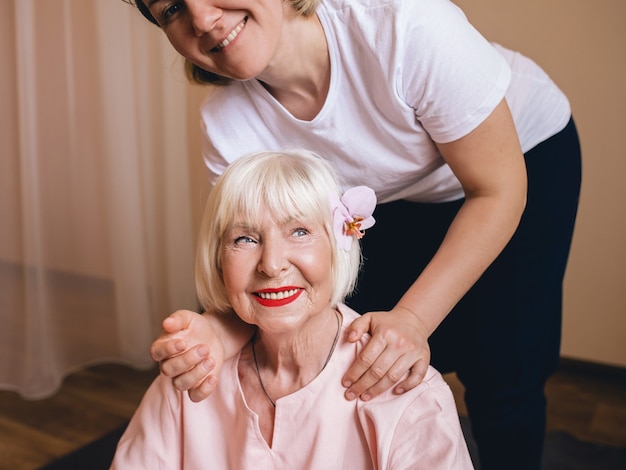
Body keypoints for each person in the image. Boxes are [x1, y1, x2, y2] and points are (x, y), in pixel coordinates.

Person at [124, 0, 582, 468]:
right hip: (383, 196)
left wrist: (414, 320)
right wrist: (216, 335)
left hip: (515, 164)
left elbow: (496, 191)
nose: (201, 19)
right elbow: (262, 271)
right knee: (363, 354)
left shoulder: (409, 25)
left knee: (506, 368)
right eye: (172, 9)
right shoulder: (227, 123)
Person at [111, 150, 474, 469]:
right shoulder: (192, 369)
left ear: (338, 246)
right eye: (245, 239)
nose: (271, 264)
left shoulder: (408, 391)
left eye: (299, 232)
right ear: (218, 261)